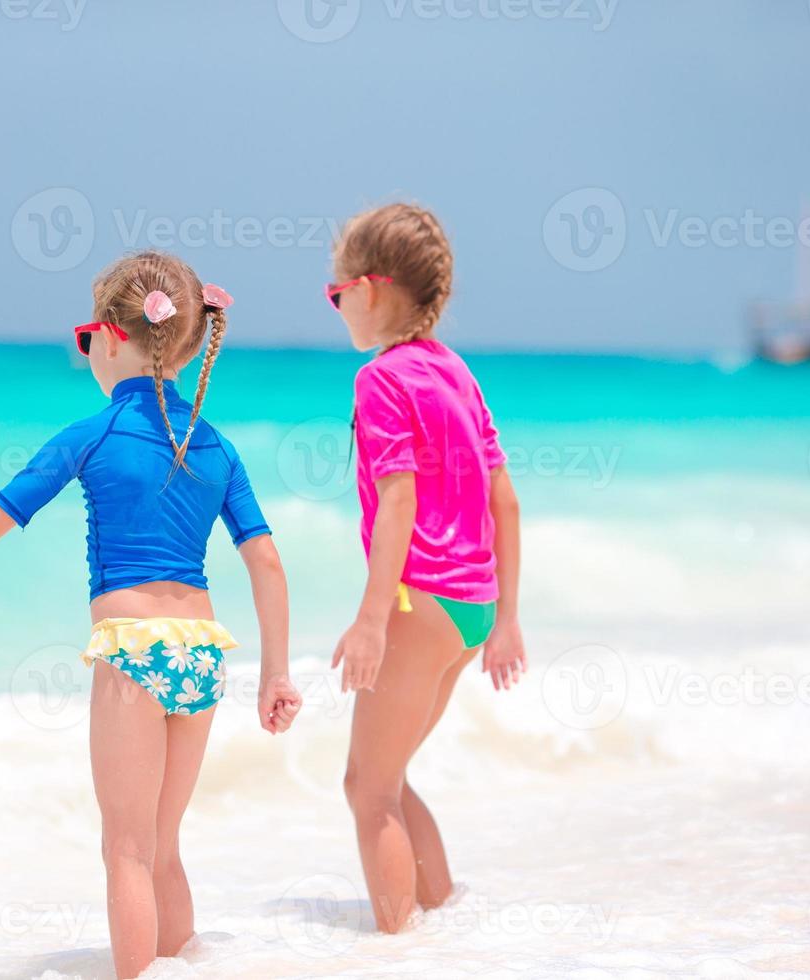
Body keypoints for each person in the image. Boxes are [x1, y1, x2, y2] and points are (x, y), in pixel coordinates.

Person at [0, 250, 301, 978]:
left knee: (125, 849)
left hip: (132, 648)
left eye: (85, 334)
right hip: (203, 651)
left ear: (113, 337)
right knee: (164, 843)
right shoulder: (215, 445)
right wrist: (275, 673)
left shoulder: (90, 435)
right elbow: (268, 562)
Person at [326, 204, 527, 934]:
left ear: (371, 289)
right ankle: (442, 928)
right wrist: (504, 619)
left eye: (336, 292)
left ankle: (395, 949)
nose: (337, 305)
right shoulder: (456, 372)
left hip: (423, 601)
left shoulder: (382, 379)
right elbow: (504, 498)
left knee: (366, 788)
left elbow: (398, 499)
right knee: (391, 777)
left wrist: (372, 620)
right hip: (470, 608)